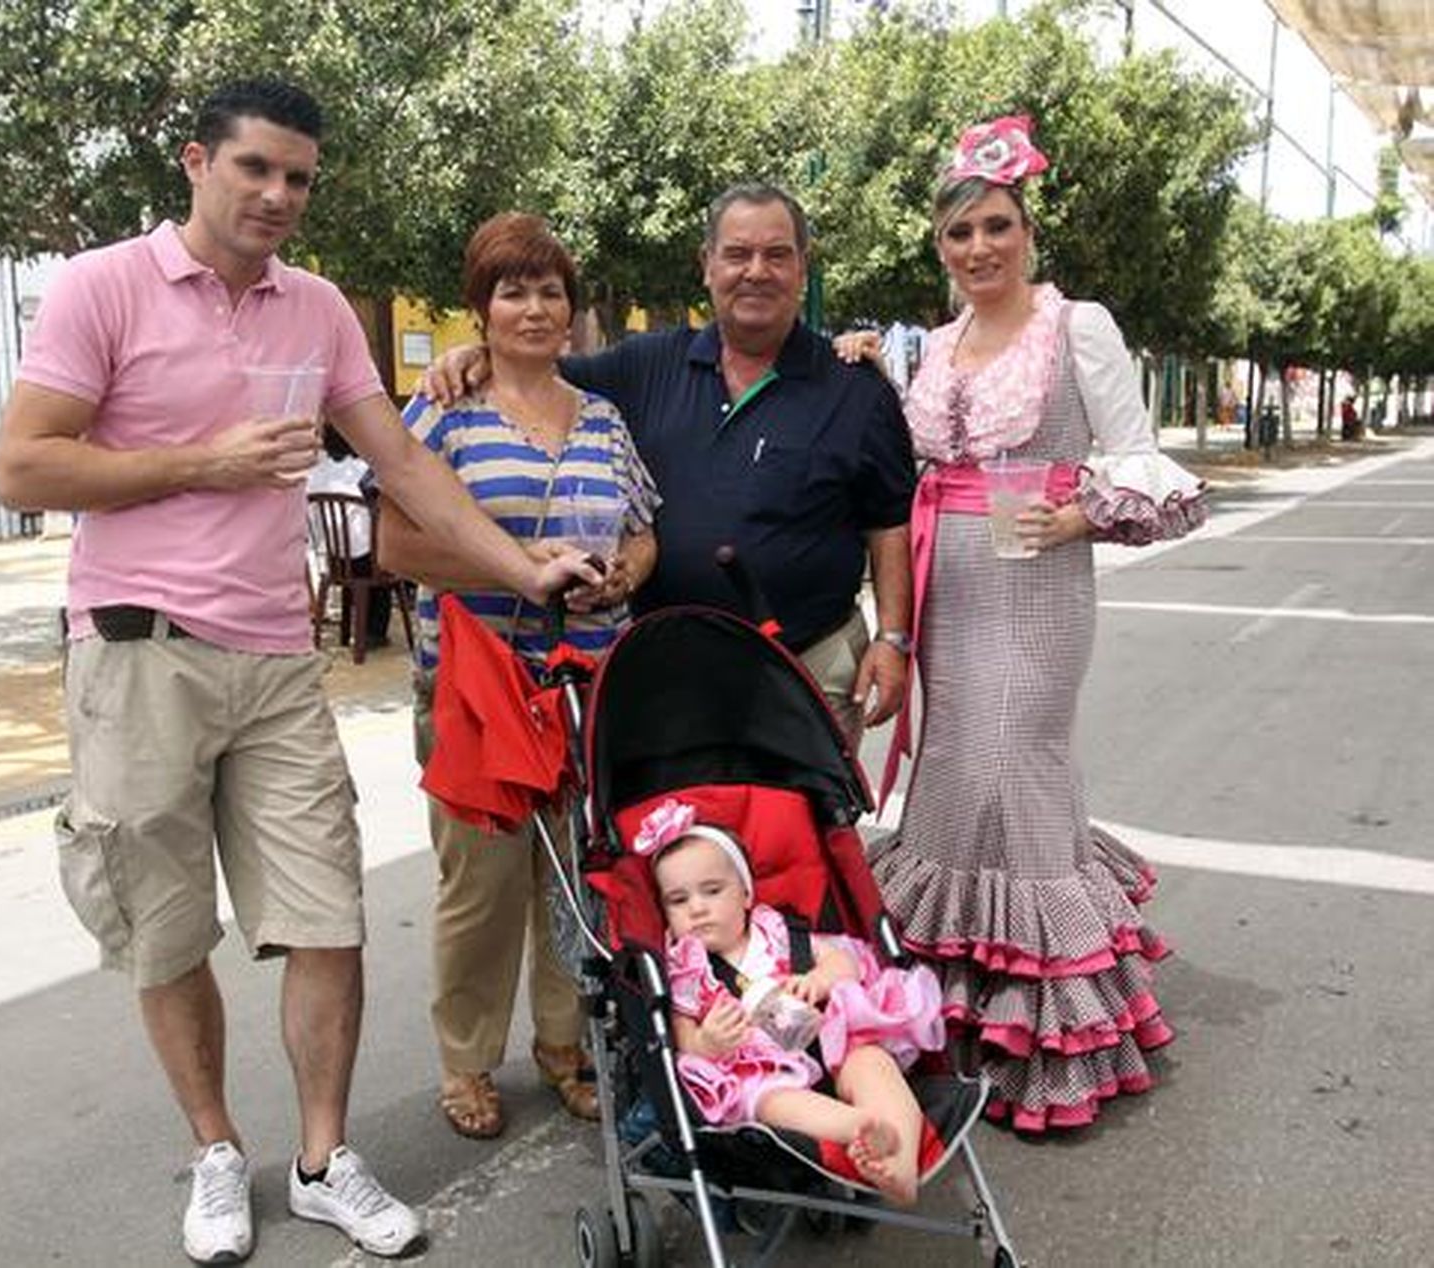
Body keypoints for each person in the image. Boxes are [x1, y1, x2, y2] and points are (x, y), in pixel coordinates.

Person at [0, 81, 594, 1264]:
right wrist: (202, 461)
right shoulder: (100, 285)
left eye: (298, 177)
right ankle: (217, 1148)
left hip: (276, 658)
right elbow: (22, 467)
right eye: (255, 168)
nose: (277, 194)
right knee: (168, 933)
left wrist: (524, 569)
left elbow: (405, 463)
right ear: (196, 162)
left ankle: (322, 1159)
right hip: (136, 650)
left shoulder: (314, 308)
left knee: (328, 918)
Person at [836, 116, 1206, 1132]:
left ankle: (1049, 1040)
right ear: (940, 246)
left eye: (997, 226)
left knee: (1011, 769)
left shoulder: (1077, 325)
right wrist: (862, 370)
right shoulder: (936, 343)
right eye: (959, 233)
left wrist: (1080, 514)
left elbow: (1137, 455)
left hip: (1038, 586)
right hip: (947, 585)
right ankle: (953, 1026)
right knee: (954, 779)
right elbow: (917, 456)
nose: (979, 247)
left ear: (1027, 231)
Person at [423, 184, 918, 746]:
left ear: (803, 267)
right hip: (666, 682)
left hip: (809, 669)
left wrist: (893, 639)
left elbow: (889, 522)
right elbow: (535, 372)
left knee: (803, 811)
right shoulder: (642, 366)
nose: (756, 271)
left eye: (777, 255)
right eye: (737, 254)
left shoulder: (855, 389)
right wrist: (477, 354)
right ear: (707, 264)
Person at [377, 212, 660, 1140]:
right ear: (481, 309)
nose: (534, 309)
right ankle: (467, 1060)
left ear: (571, 311)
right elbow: (397, 546)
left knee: (577, 875)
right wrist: (515, 565)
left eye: (549, 292)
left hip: (589, 681)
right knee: (482, 883)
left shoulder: (603, 418)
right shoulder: (444, 411)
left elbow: (642, 531)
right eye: (512, 292)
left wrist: (626, 574)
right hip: (479, 687)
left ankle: (565, 1044)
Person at [633, 798, 944, 1205]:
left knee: (874, 1064)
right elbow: (683, 1038)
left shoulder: (776, 932)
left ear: (746, 894)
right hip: (760, 1067)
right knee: (771, 1102)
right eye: (678, 900)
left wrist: (818, 979)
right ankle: (860, 1127)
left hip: (828, 1039)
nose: (697, 908)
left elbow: (845, 961)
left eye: (712, 891)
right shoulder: (688, 970)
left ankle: (900, 1167)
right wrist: (708, 1042)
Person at [307, 424, 392, 646]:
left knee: (362, 546)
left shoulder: (316, 472)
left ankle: (351, 628)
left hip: (333, 559)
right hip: (367, 561)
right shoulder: (365, 470)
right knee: (383, 559)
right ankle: (375, 632)